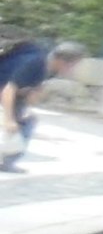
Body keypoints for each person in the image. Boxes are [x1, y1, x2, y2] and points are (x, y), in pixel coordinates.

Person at [0, 36, 85, 171]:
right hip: (5, 91)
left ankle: (7, 161)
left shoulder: (50, 68)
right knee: (12, 124)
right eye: (73, 65)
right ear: (63, 61)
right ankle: (7, 160)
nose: (73, 69)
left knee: (28, 120)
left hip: (15, 95)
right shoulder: (36, 62)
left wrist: (27, 107)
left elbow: (33, 90)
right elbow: (8, 90)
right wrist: (9, 119)